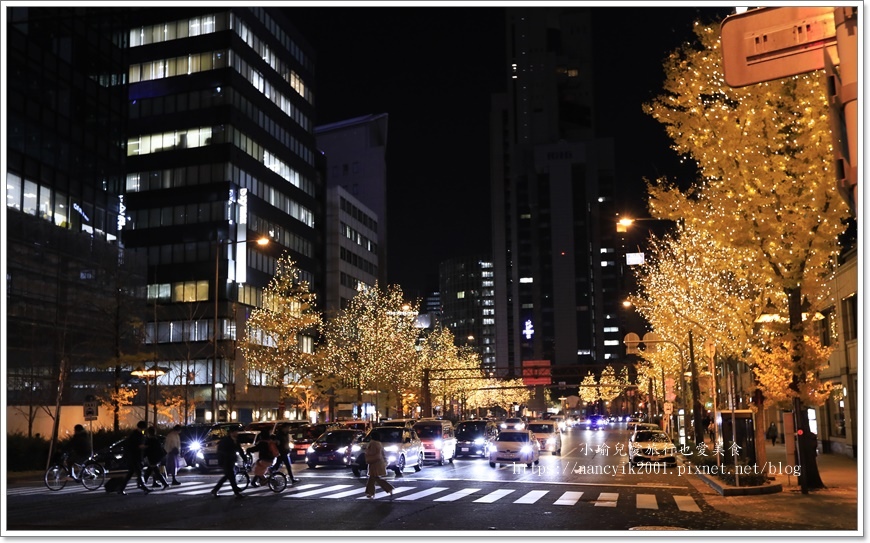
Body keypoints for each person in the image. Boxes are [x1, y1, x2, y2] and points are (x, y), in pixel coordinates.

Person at [210, 426, 245, 498]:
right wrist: (225, 457)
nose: (237, 433)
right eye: (235, 432)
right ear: (231, 433)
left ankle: (215, 490)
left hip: (231, 461)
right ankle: (237, 493)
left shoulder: (235, 440)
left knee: (227, 476)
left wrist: (244, 458)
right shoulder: (225, 441)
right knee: (231, 477)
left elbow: (240, 450)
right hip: (225, 461)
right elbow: (221, 451)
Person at [118, 420, 151, 495]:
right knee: (138, 473)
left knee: (130, 473)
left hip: (133, 457)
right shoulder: (137, 435)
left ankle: (121, 489)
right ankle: (143, 487)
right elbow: (138, 446)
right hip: (135, 457)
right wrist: (147, 447)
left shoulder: (134, 434)